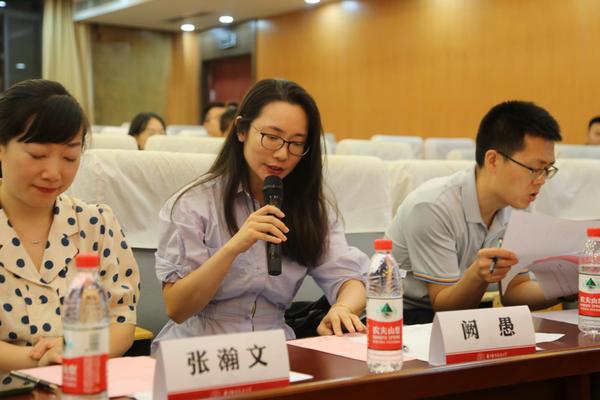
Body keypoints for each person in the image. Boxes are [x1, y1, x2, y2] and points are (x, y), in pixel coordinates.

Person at [152, 79, 367, 351]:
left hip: (274, 348)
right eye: (272, 137)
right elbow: (177, 308)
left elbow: (349, 277)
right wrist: (233, 248)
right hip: (199, 347)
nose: (282, 154)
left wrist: (343, 308)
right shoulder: (194, 204)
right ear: (241, 130)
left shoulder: (309, 209)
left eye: (296, 143)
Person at [0, 79, 140, 370]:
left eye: (69, 157)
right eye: (37, 155)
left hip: (82, 383)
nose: (54, 173)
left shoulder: (96, 224)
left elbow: (121, 320)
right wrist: (43, 360)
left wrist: (75, 351)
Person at [386, 100, 563, 325]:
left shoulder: (520, 204)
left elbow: (515, 291)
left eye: (547, 169)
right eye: (534, 168)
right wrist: (477, 276)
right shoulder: (432, 206)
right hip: (403, 317)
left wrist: (569, 287)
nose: (541, 180)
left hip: (469, 312)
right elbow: (443, 307)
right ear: (493, 160)